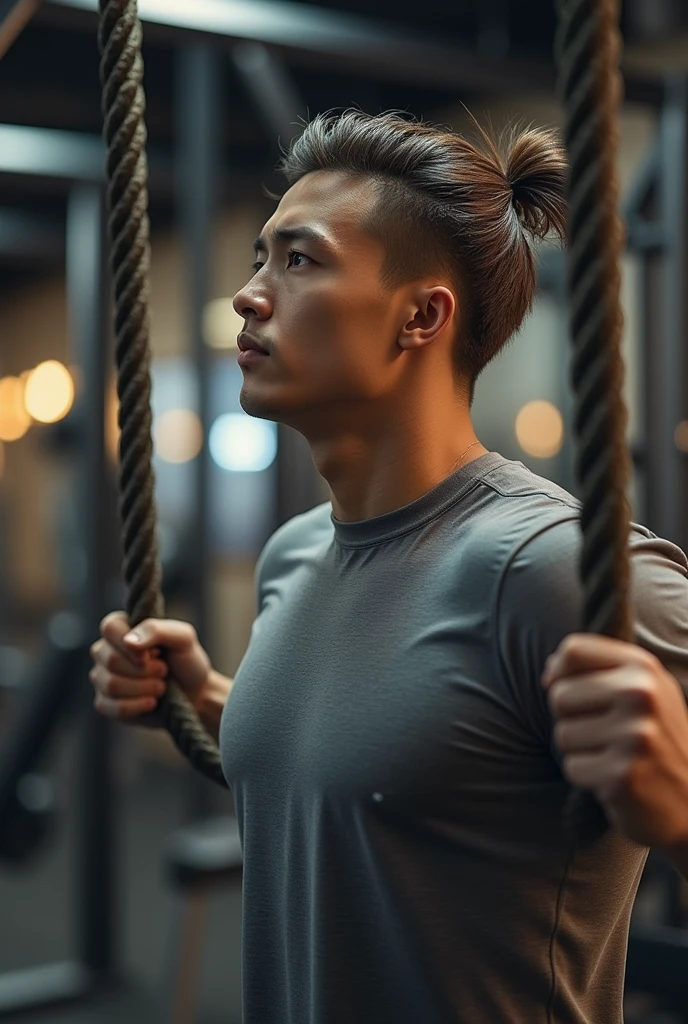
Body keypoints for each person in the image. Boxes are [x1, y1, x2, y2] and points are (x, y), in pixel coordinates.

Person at [90, 109, 688, 1023]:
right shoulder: (295, 555)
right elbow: (400, 787)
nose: (251, 293)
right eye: (260, 256)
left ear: (421, 316)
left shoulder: (552, 568)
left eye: (299, 259)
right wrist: (218, 701)